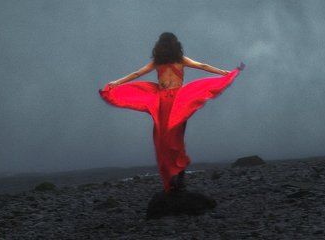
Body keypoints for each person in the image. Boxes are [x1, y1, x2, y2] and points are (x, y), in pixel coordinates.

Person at [99, 31, 245, 192]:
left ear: (159, 47)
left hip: (163, 103)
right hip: (179, 102)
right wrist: (224, 72)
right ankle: (179, 176)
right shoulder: (180, 60)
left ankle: (174, 176)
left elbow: (137, 74)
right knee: (177, 138)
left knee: (163, 139)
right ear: (176, 46)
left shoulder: (157, 62)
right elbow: (203, 66)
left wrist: (117, 82)